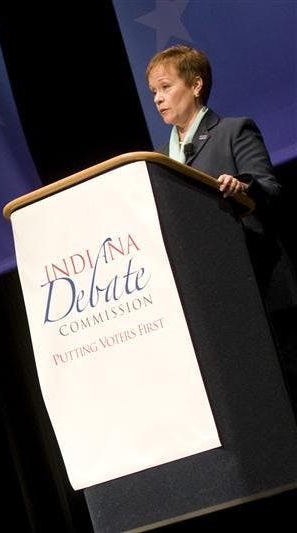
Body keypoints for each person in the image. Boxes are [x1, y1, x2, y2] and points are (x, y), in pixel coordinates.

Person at [145, 44, 296, 407]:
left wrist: (244, 188)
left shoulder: (233, 131)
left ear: (196, 86)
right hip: (213, 298)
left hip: (259, 284)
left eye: (166, 87)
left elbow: (271, 191)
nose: (158, 99)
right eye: (153, 92)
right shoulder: (162, 158)